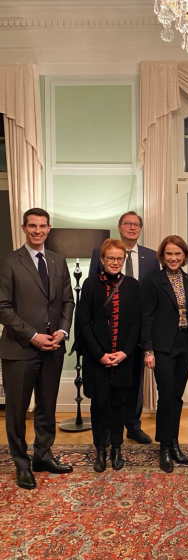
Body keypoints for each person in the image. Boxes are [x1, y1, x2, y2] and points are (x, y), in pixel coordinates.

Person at [0, 208, 75, 489]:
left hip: (53, 348)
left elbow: (68, 301)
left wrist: (63, 331)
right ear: (24, 228)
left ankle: (43, 455)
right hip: (20, 349)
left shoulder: (58, 260)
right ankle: (21, 464)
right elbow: (3, 307)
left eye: (43, 226)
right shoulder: (9, 262)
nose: (38, 231)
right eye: (32, 226)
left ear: (49, 228)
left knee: (47, 407)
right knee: (18, 412)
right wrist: (33, 336)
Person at [89, 211, 159, 445]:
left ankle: (133, 425)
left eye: (136, 224)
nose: (132, 227)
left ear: (141, 228)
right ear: (119, 227)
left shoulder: (150, 257)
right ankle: (109, 428)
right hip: (108, 330)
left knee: (134, 379)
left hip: (137, 328)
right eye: (127, 224)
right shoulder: (98, 254)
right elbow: (94, 292)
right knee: (107, 380)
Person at [80, 238, 142, 473]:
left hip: (123, 358)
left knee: (120, 403)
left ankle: (116, 447)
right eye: (110, 258)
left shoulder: (133, 285)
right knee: (99, 403)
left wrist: (125, 352)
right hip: (98, 359)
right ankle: (100, 449)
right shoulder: (90, 284)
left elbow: (137, 322)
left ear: (124, 260)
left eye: (119, 258)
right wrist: (100, 354)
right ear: (102, 259)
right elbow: (83, 323)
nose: (115, 262)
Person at [142, 235, 188, 473]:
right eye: (169, 254)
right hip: (163, 347)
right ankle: (164, 447)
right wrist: (148, 349)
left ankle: (174, 444)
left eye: (177, 253)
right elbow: (147, 317)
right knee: (165, 396)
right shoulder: (153, 282)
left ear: (184, 255)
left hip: (186, 345)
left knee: (176, 396)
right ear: (162, 257)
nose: (173, 258)